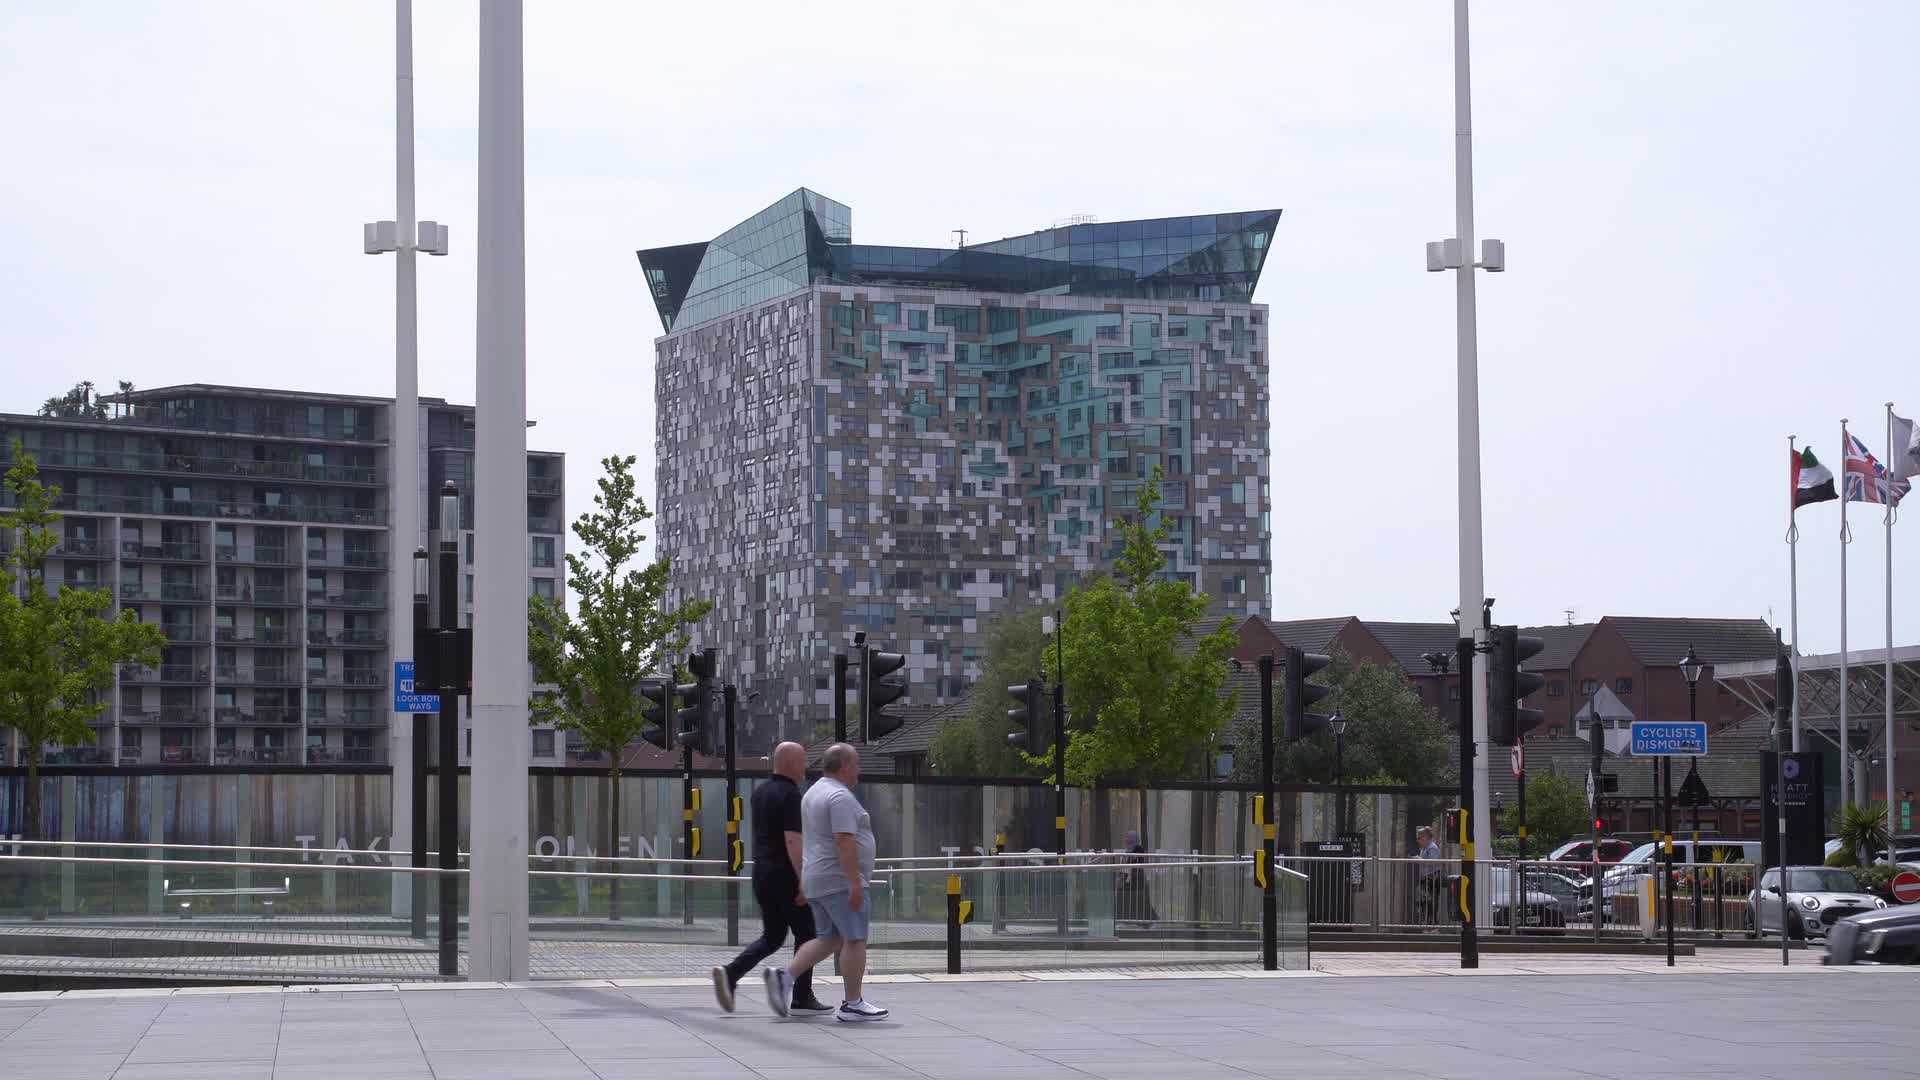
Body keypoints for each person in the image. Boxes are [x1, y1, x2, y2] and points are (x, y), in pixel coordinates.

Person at [764, 743, 886, 1023]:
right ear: (844, 766)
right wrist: (855, 882)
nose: (859, 770)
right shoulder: (840, 796)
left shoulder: (813, 792)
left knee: (829, 938)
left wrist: (806, 880)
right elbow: (844, 840)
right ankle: (853, 1003)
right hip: (839, 880)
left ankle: (785, 977)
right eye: (856, 764)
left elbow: (813, 839)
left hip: (818, 878)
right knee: (855, 939)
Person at [711, 742, 832, 1014]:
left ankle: (731, 973)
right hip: (785, 875)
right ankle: (801, 996)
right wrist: (804, 880)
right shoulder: (790, 794)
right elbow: (792, 840)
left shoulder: (761, 792)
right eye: (802, 762)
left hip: (762, 873)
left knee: (773, 935)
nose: (805, 767)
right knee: (808, 935)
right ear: (789, 763)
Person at [1414, 825, 1444, 925]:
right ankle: (1427, 922)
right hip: (1426, 878)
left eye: (1419, 838)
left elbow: (1433, 862)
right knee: (1422, 899)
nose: (1418, 841)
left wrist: (1420, 860)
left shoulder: (1432, 848)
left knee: (1430, 901)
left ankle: (1432, 924)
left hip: (1432, 878)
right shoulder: (1424, 848)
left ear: (1425, 838)